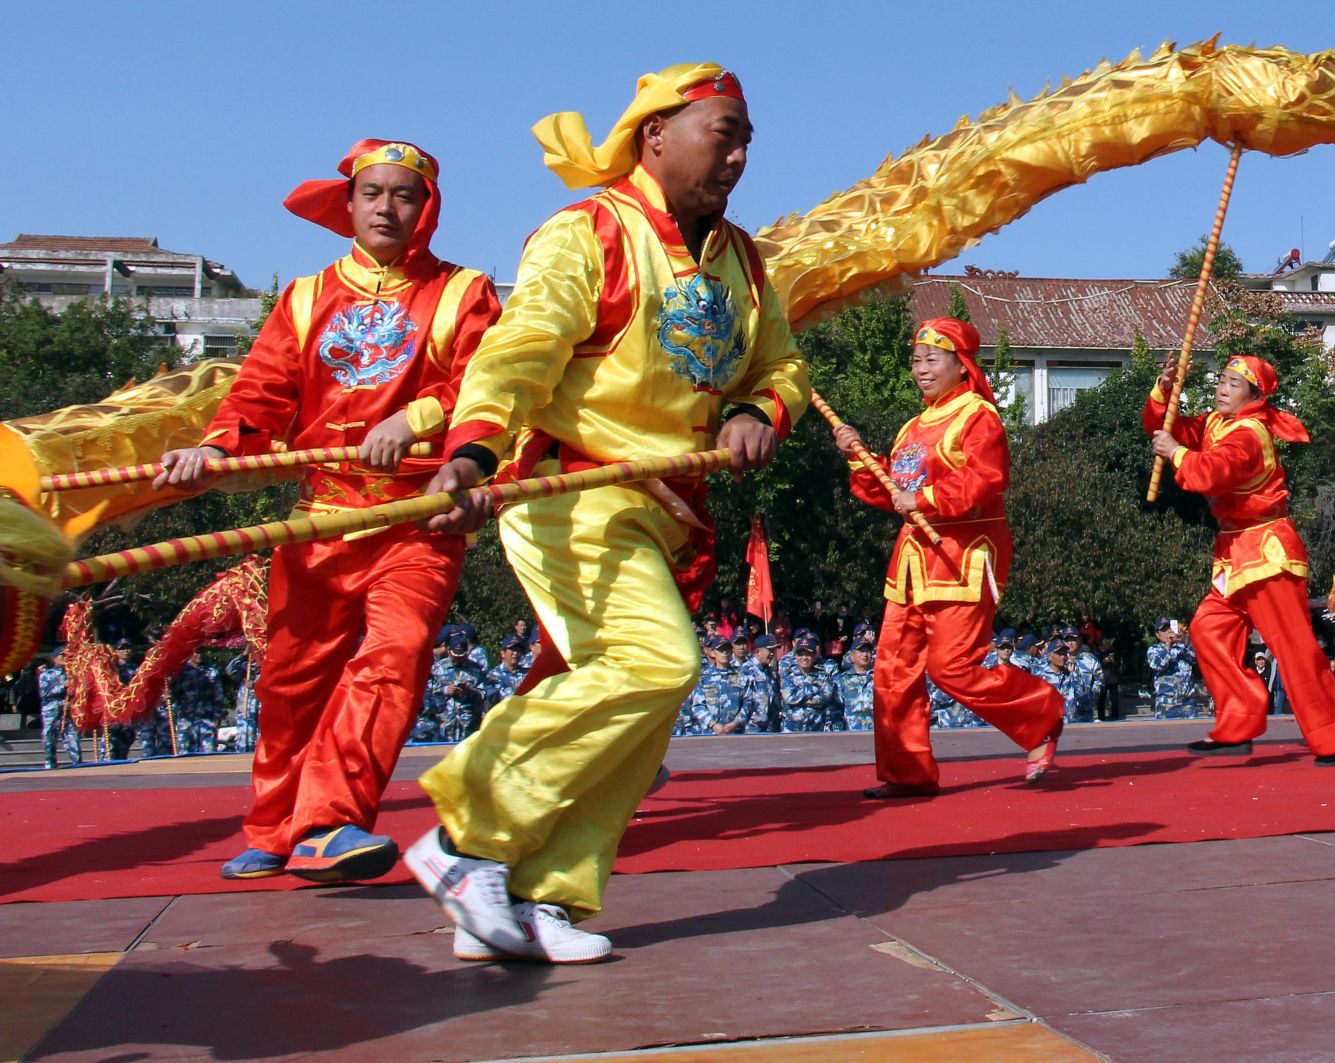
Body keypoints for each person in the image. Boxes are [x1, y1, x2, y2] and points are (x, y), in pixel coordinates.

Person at [404, 63, 807, 965]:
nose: (740, 154)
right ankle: (465, 836)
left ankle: (536, 894)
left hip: (667, 507)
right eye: (724, 132)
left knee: (642, 704)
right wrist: (470, 449)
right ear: (656, 134)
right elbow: (523, 346)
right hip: (574, 493)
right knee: (656, 661)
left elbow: (780, 366)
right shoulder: (587, 231)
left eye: (747, 139)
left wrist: (757, 411)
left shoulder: (741, 257)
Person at [155, 138, 499, 883]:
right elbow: (259, 394)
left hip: (414, 517)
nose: (387, 206)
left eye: (404, 195)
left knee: (394, 659)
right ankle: (272, 825)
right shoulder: (306, 296)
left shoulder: (465, 291)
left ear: (427, 208)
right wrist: (215, 453)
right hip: (318, 517)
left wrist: (418, 421)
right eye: (372, 192)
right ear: (349, 204)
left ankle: (330, 822)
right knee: (290, 680)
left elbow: (489, 385)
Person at [837, 317, 1064, 797]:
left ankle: (1040, 714)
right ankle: (907, 772)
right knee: (893, 668)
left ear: (961, 366)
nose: (921, 369)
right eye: (916, 360)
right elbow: (893, 492)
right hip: (913, 560)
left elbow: (988, 478)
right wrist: (859, 457)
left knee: (953, 666)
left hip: (961, 551)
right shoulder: (912, 426)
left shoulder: (977, 415)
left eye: (931, 359)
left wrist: (923, 500)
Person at [1148, 354, 1335, 764]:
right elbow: (1172, 429)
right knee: (1208, 631)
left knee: (1293, 650)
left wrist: (1178, 452)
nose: (1221, 388)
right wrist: (1166, 392)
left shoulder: (1249, 434)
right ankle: (1238, 720)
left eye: (1233, 384)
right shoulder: (1218, 424)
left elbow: (1210, 472)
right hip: (1234, 553)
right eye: (1221, 380)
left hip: (1266, 551)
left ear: (1254, 395)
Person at [38, 651, 79, 770]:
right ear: (54, 659)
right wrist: (63, 686)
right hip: (51, 711)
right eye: (62, 655)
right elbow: (44, 693)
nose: (65, 657)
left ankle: (77, 764)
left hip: (67, 711)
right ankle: (50, 763)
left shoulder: (72, 673)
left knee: (72, 737)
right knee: (49, 738)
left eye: (67, 655)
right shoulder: (46, 675)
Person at [1148, 620, 1199, 716]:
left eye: (1170, 629)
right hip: (1166, 703)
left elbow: (1196, 659)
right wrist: (1168, 645)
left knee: (1192, 730)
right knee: (1166, 730)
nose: (1168, 632)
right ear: (1158, 635)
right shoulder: (1154, 650)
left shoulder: (1183, 648)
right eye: (1164, 630)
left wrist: (1185, 640)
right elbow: (1159, 664)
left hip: (1187, 702)